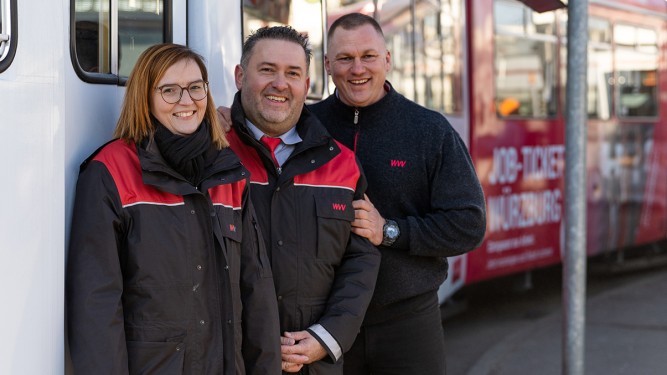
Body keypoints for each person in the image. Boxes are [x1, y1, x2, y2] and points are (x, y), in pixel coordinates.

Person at [66, 43, 281, 375]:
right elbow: (96, 304)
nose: (186, 101)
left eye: (196, 87)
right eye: (169, 90)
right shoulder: (110, 171)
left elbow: (257, 289)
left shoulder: (228, 172)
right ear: (145, 97)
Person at [307, 13, 487, 374]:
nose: (357, 68)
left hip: (407, 322)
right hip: (321, 324)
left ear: (387, 60)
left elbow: (469, 224)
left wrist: (390, 231)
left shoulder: (429, 130)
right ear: (327, 65)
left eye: (368, 56)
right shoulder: (305, 126)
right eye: (344, 58)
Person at [225, 26, 380, 374]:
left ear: (306, 86)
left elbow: (361, 260)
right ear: (239, 76)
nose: (280, 83)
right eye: (267, 69)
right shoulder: (212, 155)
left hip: (312, 364)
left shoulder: (341, 163)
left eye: (292, 73)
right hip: (230, 359)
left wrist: (328, 337)